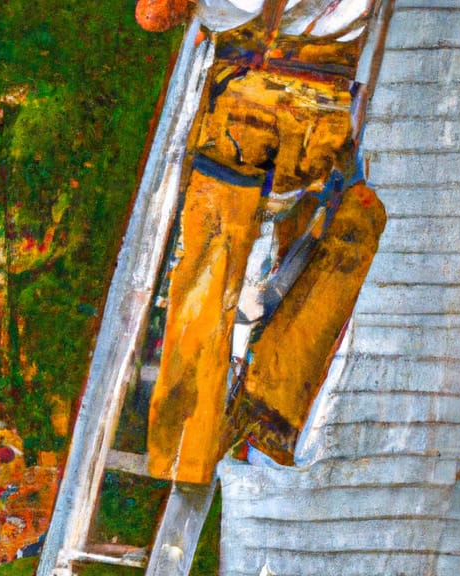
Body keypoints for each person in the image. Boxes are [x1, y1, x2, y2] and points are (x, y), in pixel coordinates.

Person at [140, 0, 386, 484]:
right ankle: (269, 417)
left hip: (250, 102)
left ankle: (184, 455)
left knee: (210, 266)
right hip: (326, 111)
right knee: (355, 226)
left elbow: (154, 14)